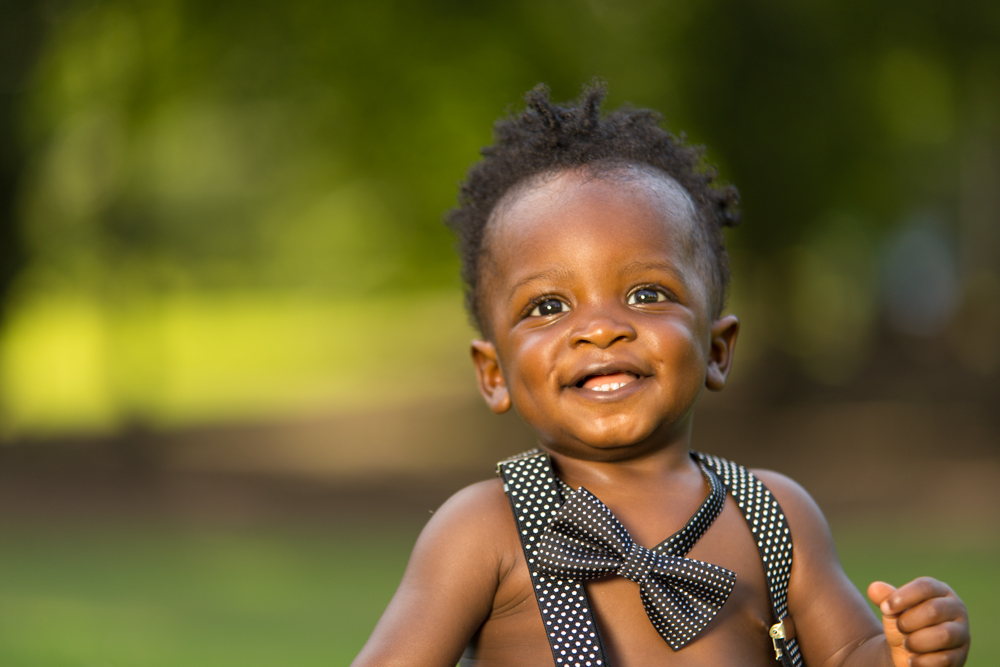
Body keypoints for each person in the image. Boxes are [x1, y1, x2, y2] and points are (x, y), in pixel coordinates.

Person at [350, 83, 970, 667]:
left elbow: (845, 655)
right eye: (547, 307)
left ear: (717, 349)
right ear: (494, 374)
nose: (600, 328)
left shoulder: (772, 517)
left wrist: (905, 650)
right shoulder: (484, 529)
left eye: (647, 294)